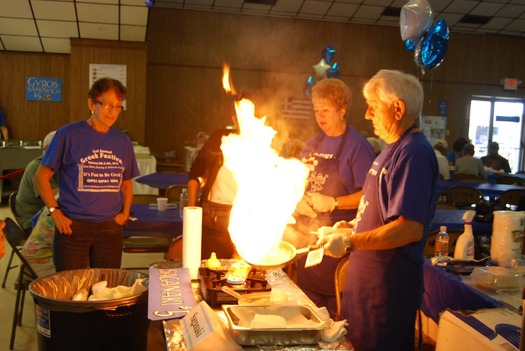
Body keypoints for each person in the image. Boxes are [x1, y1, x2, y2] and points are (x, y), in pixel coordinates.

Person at [317, 69, 439, 351]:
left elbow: (409, 228)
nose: (368, 114)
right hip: (365, 291)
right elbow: (381, 214)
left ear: (398, 108)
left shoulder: (414, 153)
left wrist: (351, 241)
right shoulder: (390, 150)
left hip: (386, 294)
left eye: (373, 106)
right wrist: (349, 228)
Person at [35, 77, 139, 272]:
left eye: (117, 106)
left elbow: (126, 183)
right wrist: (54, 212)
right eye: (107, 104)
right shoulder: (68, 134)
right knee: (71, 290)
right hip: (73, 226)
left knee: (106, 289)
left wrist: (124, 214)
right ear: (92, 103)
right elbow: (40, 177)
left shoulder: (122, 140)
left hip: (110, 227)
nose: (113, 111)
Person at [292, 78, 375, 319]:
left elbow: (369, 196)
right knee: (307, 310)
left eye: (326, 110)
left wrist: (333, 203)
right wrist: (298, 198)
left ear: (342, 109)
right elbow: (297, 180)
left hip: (339, 242)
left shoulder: (358, 147)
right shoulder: (312, 143)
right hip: (308, 239)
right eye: (316, 110)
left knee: (335, 316)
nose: (320, 116)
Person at [187, 116, 239, 259]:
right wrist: (192, 214)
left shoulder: (265, 143)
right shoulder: (220, 138)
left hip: (246, 224)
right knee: (209, 273)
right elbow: (195, 173)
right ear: (234, 117)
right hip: (214, 223)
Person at [16, 131, 57, 235]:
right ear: (46, 150)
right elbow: (55, 198)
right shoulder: (37, 168)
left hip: (48, 216)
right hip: (34, 223)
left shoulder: (57, 166)